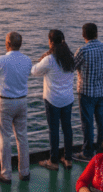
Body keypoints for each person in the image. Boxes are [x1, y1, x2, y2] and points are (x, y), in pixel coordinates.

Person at [0, 31, 32, 184]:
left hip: (6, 103)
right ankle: (25, 172)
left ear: (7, 44)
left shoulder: (1, 60)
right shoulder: (27, 60)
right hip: (22, 101)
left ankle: (6, 174)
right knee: (22, 137)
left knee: (4, 138)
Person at [31, 29, 75, 170]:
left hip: (53, 100)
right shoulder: (70, 56)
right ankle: (68, 159)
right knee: (67, 129)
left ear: (50, 42)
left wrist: (44, 57)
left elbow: (34, 71)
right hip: (68, 98)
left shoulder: (49, 59)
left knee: (54, 130)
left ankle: (53, 161)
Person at [74, 23, 103, 162]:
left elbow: (72, 66)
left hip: (87, 91)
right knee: (101, 120)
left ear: (83, 35)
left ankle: (88, 152)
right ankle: (102, 149)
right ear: (97, 33)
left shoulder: (83, 51)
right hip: (102, 90)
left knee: (87, 123)